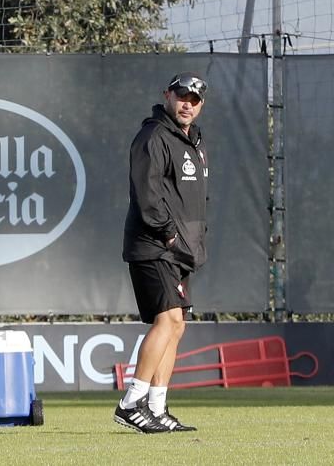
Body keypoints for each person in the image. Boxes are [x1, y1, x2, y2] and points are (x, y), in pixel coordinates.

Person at [113, 72, 210, 433]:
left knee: (177, 326)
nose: (188, 103)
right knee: (167, 320)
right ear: (167, 95)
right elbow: (147, 195)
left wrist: (192, 243)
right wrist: (169, 236)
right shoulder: (153, 135)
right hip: (153, 245)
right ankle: (131, 402)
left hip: (180, 250)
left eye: (195, 99)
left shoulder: (194, 141)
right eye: (182, 96)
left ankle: (156, 406)